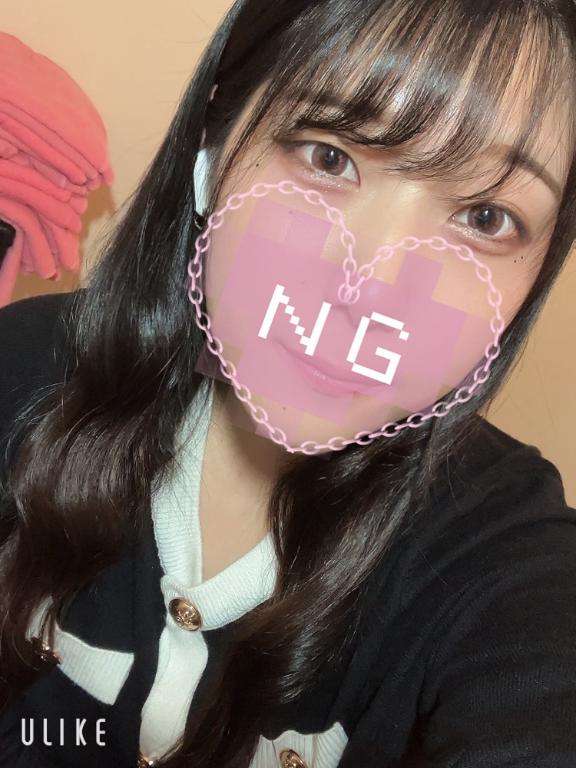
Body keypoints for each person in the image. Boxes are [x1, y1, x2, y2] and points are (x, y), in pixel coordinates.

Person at [1, 1, 576, 766]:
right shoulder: (24, 368)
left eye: (485, 217)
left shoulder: (502, 556)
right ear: (214, 145)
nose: (370, 287)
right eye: (328, 157)